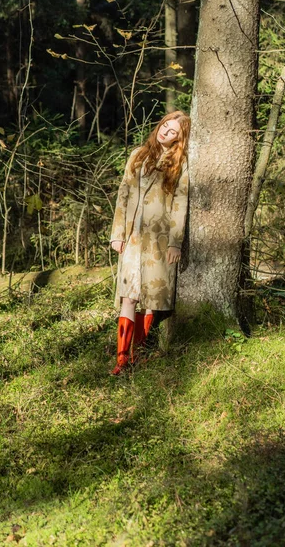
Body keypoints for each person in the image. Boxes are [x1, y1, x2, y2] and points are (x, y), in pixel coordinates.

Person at [110, 110, 190, 375]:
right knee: (128, 296)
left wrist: (175, 242)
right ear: (160, 125)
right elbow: (123, 193)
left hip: (159, 240)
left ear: (180, 138)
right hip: (132, 238)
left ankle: (139, 354)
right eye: (166, 125)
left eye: (174, 130)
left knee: (150, 298)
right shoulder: (138, 154)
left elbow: (181, 203)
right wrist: (117, 233)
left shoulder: (179, 162)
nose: (167, 130)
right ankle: (122, 359)